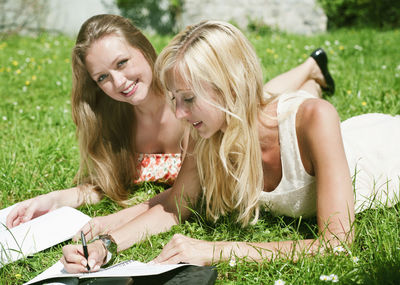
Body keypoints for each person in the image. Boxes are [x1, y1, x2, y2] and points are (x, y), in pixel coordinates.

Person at [60, 20, 399, 273]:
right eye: (176, 99)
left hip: (385, 148)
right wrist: (107, 244)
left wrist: (216, 250)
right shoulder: (205, 131)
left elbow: (337, 245)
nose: (179, 113)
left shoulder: (314, 119)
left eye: (189, 99)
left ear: (228, 85)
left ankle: (311, 77)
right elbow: (176, 205)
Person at [5, 14, 334, 235]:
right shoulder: (115, 120)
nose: (119, 82)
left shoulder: (188, 93)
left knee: (267, 96)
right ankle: (312, 72)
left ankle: (309, 69)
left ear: (144, 50)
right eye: (103, 77)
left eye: (122, 63)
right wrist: (56, 200)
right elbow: (107, 182)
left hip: (240, 107)